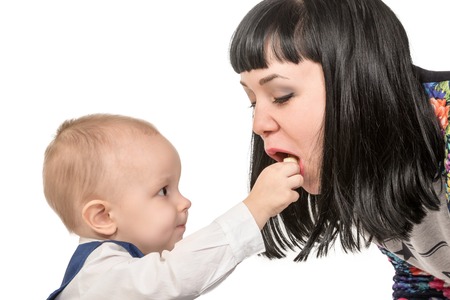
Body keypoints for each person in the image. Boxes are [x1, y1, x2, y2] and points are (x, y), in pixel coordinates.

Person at [228, 0, 450, 299]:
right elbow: (426, 275)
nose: (259, 124)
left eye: (281, 95)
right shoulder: (360, 155)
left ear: (357, 81)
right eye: (254, 101)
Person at [44, 113, 302, 299]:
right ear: (102, 216)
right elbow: (174, 276)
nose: (184, 202)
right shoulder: (99, 279)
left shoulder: (119, 271)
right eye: (163, 191)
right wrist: (254, 209)